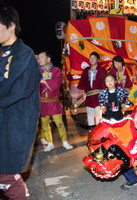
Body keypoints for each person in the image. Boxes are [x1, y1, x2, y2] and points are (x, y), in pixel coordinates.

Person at [0, 2, 41, 199]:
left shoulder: (24, 54)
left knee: (7, 177)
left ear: (11, 24)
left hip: (13, 125)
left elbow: (13, 90)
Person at [38, 50, 73, 152]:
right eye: (39, 58)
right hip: (43, 102)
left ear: (48, 59)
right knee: (44, 125)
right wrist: (47, 82)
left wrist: (44, 81)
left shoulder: (56, 70)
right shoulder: (37, 71)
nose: (39, 59)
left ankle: (65, 141)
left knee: (59, 123)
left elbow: (57, 84)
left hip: (54, 102)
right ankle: (50, 143)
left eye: (41, 57)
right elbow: (36, 85)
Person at [77, 52, 107, 129]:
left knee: (98, 115)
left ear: (97, 60)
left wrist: (103, 96)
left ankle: (97, 133)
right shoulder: (86, 70)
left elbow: (104, 83)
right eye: (90, 58)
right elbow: (83, 82)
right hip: (89, 97)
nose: (92, 59)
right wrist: (83, 93)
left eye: (94, 58)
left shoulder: (102, 70)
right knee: (90, 115)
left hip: (98, 96)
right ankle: (91, 133)